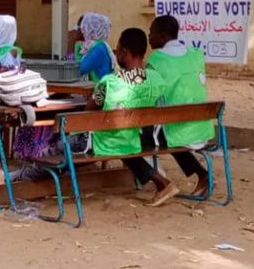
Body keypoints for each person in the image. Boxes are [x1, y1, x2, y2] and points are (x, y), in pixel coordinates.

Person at [89, 28, 180, 206]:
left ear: (123, 51)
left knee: (65, 144)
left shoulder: (110, 82)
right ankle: (161, 183)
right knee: (124, 142)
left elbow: (90, 108)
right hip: (140, 135)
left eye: (117, 49)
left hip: (112, 139)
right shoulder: (156, 78)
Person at [144, 15, 212, 197]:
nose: (149, 37)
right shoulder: (195, 54)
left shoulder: (157, 59)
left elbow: (147, 95)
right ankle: (202, 174)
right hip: (202, 130)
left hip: (176, 132)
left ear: (163, 35)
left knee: (136, 138)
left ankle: (158, 181)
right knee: (169, 126)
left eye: (152, 33)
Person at [78, 12, 117, 82]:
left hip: (100, 90)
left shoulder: (99, 49)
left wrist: (73, 46)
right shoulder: (97, 45)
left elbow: (80, 69)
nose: (82, 32)